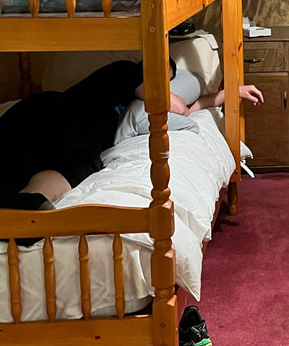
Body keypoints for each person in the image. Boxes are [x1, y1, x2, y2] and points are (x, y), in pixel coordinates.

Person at [0, 59, 262, 227]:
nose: (165, 83)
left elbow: (186, 109)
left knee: (73, 166)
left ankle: (25, 207)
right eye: (164, 77)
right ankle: (23, 207)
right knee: (69, 159)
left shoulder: (131, 102)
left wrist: (230, 94)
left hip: (75, 142)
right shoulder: (123, 71)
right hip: (50, 115)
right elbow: (177, 106)